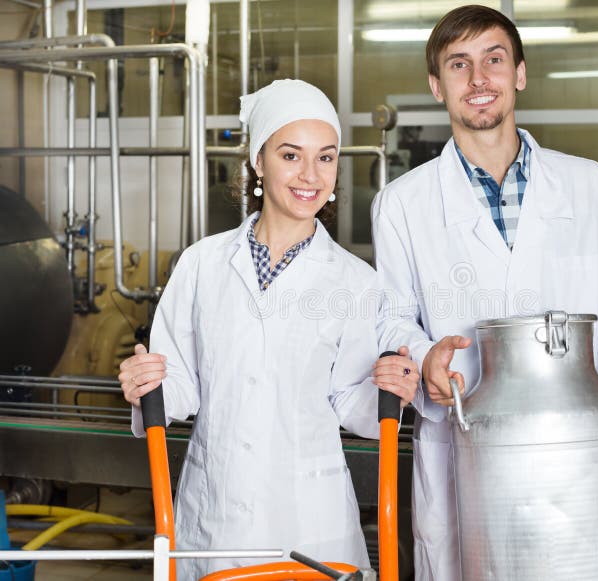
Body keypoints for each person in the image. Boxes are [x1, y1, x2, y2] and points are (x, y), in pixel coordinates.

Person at [370, 6, 598, 581]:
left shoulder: (590, 185)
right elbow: (392, 317)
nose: (479, 80)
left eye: (493, 60)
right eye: (459, 65)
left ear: (519, 73)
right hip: (463, 441)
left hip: (576, 455)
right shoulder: (401, 204)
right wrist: (424, 356)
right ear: (437, 86)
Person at [117, 79, 419, 579]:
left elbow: (353, 401)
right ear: (259, 161)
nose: (311, 175)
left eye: (325, 158)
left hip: (309, 520)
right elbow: (181, 386)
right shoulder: (201, 265)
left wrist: (391, 389)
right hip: (215, 514)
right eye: (291, 155)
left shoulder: (356, 281)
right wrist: (145, 384)